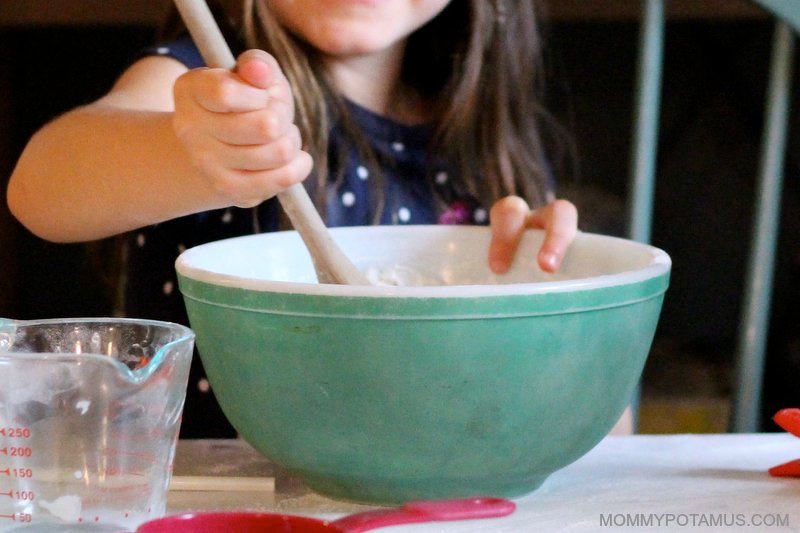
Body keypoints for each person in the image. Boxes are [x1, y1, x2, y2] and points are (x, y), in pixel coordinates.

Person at [7, 0, 590, 437]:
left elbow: (591, 425)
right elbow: (42, 187)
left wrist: (552, 312)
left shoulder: (481, 139)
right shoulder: (206, 79)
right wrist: (191, 152)